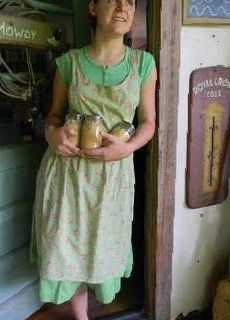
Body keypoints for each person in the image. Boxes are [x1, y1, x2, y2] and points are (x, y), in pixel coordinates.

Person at [30, 0, 157, 319]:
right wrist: (53, 136)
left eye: (130, 2)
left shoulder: (143, 64)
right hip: (67, 175)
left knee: (102, 247)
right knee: (67, 245)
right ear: (92, 7)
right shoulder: (68, 63)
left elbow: (148, 123)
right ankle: (81, 316)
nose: (122, 7)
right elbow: (54, 118)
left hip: (112, 177)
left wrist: (126, 148)